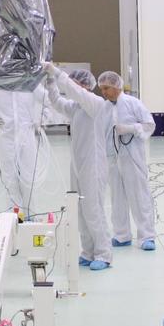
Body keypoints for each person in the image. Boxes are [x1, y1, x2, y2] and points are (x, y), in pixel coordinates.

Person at [44, 64, 113, 269]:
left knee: (93, 209)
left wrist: (57, 72)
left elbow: (75, 91)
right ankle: (88, 251)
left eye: (75, 84)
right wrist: (50, 81)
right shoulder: (76, 107)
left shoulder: (96, 103)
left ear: (85, 85)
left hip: (93, 165)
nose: (72, 87)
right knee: (80, 209)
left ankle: (104, 253)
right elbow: (57, 102)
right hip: (78, 164)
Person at [99, 71, 158, 251]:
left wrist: (131, 128)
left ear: (116, 86)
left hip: (132, 158)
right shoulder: (104, 108)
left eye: (106, 88)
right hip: (112, 159)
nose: (104, 92)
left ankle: (147, 236)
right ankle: (122, 235)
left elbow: (150, 125)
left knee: (139, 196)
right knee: (117, 198)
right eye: (102, 89)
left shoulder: (133, 103)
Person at [0, 84, 51, 214]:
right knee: (10, 181)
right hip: (6, 137)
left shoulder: (29, 82)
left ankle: (30, 217)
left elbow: (48, 99)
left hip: (27, 136)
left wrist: (41, 119)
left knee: (28, 180)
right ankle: (16, 218)